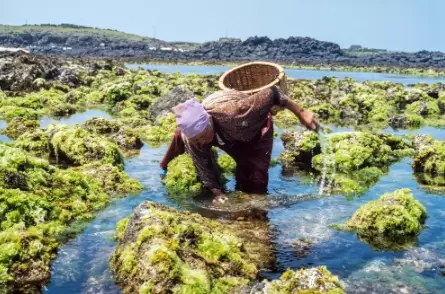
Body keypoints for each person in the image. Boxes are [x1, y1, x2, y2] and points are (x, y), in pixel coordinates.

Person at [160, 85, 319, 203]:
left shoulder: (235, 113)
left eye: (202, 136)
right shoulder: (192, 137)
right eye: (195, 139)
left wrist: (301, 113)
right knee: (183, 140)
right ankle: (164, 167)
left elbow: (274, 92)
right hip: (221, 126)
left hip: (251, 129)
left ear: (209, 122)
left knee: (254, 182)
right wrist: (217, 193)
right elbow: (203, 165)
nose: (200, 141)